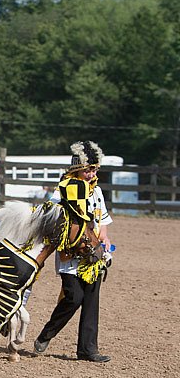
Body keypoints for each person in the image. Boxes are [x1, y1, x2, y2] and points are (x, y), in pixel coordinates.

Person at [34, 141, 113, 363]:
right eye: (88, 169)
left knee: (91, 301)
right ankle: (46, 334)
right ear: (77, 169)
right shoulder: (63, 190)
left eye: (95, 169)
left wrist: (104, 238)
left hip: (94, 253)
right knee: (73, 297)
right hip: (70, 254)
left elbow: (102, 219)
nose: (92, 174)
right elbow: (49, 216)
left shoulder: (96, 191)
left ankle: (88, 350)